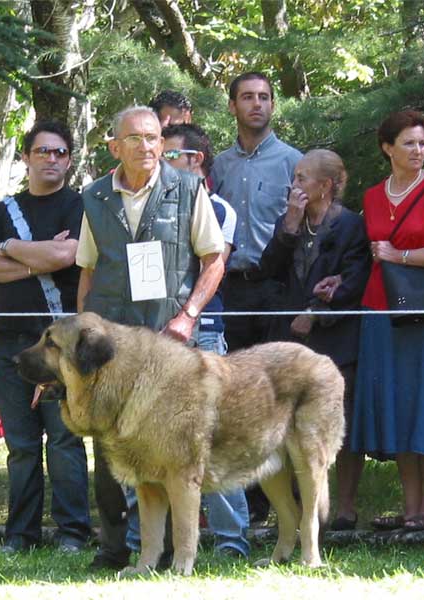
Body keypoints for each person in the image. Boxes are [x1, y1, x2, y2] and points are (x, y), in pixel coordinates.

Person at [76, 105, 225, 570]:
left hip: (169, 341)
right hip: (112, 347)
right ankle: (113, 548)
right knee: (109, 448)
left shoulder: (186, 188)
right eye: (135, 138)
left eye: (153, 138)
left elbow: (214, 258)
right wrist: (84, 336)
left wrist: (189, 316)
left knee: (174, 448)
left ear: (163, 143)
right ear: (115, 146)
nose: (146, 146)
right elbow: (88, 272)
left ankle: (180, 551)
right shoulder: (94, 197)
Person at [0, 120, 91, 553]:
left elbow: (69, 253)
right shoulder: (5, 208)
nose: (51, 159)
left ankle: (72, 534)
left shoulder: (80, 204)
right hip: (8, 338)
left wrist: (9, 247)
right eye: (43, 151)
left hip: (59, 341)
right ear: (25, 157)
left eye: (60, 153)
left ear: (69, 160)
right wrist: (39, 256)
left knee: (64, 439)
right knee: (21, 444)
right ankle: (19, 536)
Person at [350, 110, 424, 531]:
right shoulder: (372, 197)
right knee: (398, 404)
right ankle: (409, 507)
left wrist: (401, 256)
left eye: (422, 142)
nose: (418, 150)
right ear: (388, 148)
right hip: (381, 309)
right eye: (408, 143)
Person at [260, 149, 371, 530]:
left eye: (302, 178)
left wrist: (319, 310)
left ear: (325, 186)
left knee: (340, 421)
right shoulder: (289, 220)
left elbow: (356, 279)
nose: (295, 185)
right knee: (286, 422)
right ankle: (294, 510)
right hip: (289, 338)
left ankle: (344, 507)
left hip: (335, 336)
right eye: (295, 177)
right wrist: (289, 226)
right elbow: (268, 268)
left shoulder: (351, 225)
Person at [210, 71, 302, 522]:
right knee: (235, 395)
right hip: (229, 289)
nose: (257, 104)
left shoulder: (292, 161)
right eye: (247, 97)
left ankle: (290, 502)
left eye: (265, 97)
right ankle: (246, 502)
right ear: (233, 106)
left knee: (276, 394)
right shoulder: (219, 165)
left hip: (276, 288)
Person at [162, 122, 250, 558]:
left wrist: (186, 317)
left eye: (168, 156)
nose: (158, 163)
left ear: (194, 161)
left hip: (203, 335)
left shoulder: (219, 210)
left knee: (212, 438)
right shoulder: (149, 203)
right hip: (154, 337)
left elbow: (212, 269)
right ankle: (155, 544)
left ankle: (231, 541)